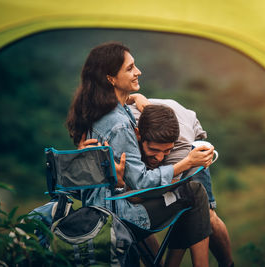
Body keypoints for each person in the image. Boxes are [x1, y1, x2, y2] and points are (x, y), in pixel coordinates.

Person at [66, 42, 213, 267]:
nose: (138, 72)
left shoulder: (97, 113)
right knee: (194, 192)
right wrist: (186, 163)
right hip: (118, 214)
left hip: (98, 206)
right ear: (110, 78)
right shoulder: (119, 124)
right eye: (130, 68)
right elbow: (142, 182)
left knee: (182, 195)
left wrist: (137, 98)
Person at [128, 96, 234, 267]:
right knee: (134, 212)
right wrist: (135, 97)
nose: (160, 157)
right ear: (139, 136)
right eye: (153, 150)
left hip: (188, 148)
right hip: (154, 123)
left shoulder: (182, 149)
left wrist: (133, 193)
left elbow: (157, 191)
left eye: (165, 152)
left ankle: (227, 263)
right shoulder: (125, 132)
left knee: (201, 210)